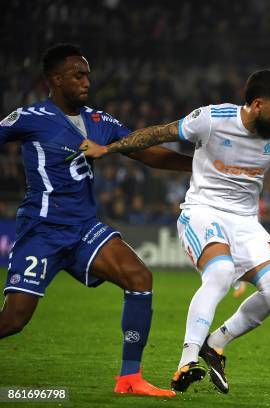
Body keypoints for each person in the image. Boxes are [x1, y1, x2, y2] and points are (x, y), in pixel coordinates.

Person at [79, 69, 270, 394]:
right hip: (202, 211)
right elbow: (159, 133)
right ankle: (186, 362)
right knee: (220, 271)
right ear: (258, 104)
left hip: (245, 222)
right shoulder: (213, 119)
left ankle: (215, 344)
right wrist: (110, 149)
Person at [0, 44, 194, 397]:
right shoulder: (29, 118)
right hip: (42, 230)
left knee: (139, 277)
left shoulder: (99, 121)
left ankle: (129, 379)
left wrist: (194, 166)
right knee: (14, 320)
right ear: (56, 79)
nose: (87, 81)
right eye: (78, 74)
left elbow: (143, 150)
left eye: (87, 74)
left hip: (84, 228)